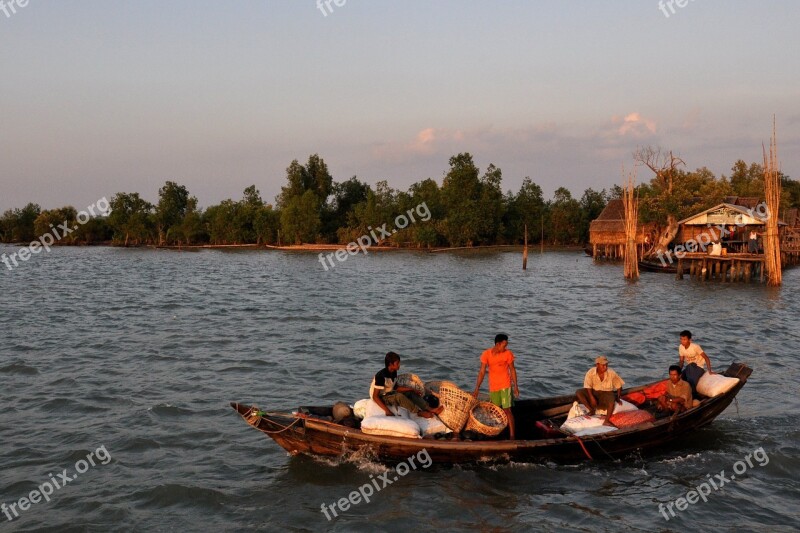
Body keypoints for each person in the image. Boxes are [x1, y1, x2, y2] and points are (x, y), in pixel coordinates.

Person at [472, 333, 520, 440]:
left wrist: (515, 386)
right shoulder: (487, 354)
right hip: (494, 386)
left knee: (507, 410)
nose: (505, 347)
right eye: (504, 345)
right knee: (496, 410)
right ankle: (498, 433)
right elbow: (482, 372)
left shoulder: (508, 354)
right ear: (498, 344)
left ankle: (512, 436)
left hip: (505, 385)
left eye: (506, 345)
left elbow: (512, 369)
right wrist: (477, 388)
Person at [370, 352, 442, 419]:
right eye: (397, 363)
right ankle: (419, 412)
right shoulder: (380, 376)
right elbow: (375, 396)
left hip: (390, 393)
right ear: (390, 364)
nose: (399, 365)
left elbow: (396, 387)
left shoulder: (394, 372)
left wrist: (412, 389)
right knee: (399, 396)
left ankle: (430, 409)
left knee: (410, 393)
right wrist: (387, 411)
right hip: (382, 397)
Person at [575, 355, 625, 426]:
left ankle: (606, 421)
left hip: (607, 393)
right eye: (603, 365)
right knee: (579, 392)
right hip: (595, 392)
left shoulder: (611, 373)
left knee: (611, 402)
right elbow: (588, 386)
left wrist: (618, 397)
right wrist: (592, 397)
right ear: (597, 365)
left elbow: (619, 386)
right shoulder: (590, 372)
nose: (605, 367)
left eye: (606, 365)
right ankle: (591, 410)